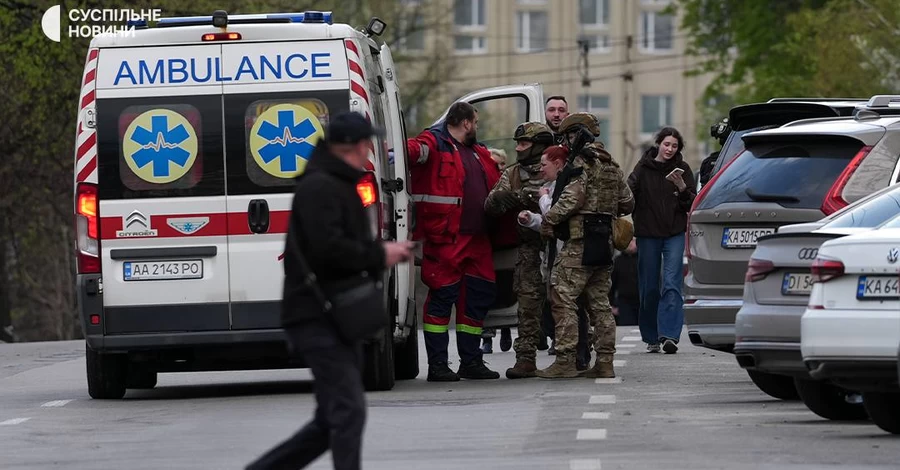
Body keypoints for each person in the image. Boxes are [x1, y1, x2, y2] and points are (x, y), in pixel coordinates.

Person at [247, 112, 414, 470]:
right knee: (348, 411)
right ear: (352, 147)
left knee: (331, 420)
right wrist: (379, 254)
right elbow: (328, 251)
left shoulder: (336, 183)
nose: (371, 148)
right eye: (367, 142)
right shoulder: (321, 187)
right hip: (316, 317)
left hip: (336, 316)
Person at [406, 101, 516, 382]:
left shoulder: (479, 153)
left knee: (475, 303)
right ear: (466, 122)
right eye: (475, 123)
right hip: (445, 240)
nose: (477, 128)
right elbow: (412, 151)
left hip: (478, 242)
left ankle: (471, 362)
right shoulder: (434, 143)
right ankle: (438, 366)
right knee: (441, 301)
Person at [537, 113, 634, 379]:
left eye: (569, 136)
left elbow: (572, 200)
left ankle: (566, 360)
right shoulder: (611, 164)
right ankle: (605, 362)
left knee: (562, 298)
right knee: (600, 305)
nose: (567, 142)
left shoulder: (580, 162)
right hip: (604, 244)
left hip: (579, 242)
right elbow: (628, 203)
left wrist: (549, 218)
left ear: (579, 134)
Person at [484, 122, 555, 378]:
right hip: (528, 247)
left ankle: (576, 351)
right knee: (527, 303)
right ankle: (525, 358)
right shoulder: (513, 173)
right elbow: (492, 205)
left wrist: (528, 197)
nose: (518, 148)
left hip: (561, 246)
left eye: (523, 144)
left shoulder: (558, 168)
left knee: (568, 301)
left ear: (538, 147)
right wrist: (511, 198)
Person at [519, 145, 592, 371]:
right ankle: (570, 353)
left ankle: (576, 355)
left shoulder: (568, 184)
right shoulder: (552, 185)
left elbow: (555, 216)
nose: (541, 170)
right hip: (554, 253)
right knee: (556, 305)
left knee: (570, 306)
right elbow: (547, 222)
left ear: (558, 164)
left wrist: (542, 200)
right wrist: (530, 219)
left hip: (570, 255)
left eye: (544, 165)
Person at [627, 127, 696, 354]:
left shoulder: (683, 169)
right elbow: (628, 193)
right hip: (647, 234)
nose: (670, 149)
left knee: (672, 283)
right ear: (658, 144)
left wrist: (682, 187)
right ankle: (651, 336)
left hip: (674, 233)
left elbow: (691, 204)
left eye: (674, 146)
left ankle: (669, 335)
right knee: (649, 286)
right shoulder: (643, 167)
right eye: (667, 144)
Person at [481, 149, 513, 354]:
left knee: (508, 291)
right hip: (487, 245)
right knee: (487, 293)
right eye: (495, 164)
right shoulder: (483, 183)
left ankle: (506, 329)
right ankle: (487, 337)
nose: (498, 168)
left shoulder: (510, 182)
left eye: (502, 164)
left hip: (508, 244)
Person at [609, 239, 640, 326]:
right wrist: (611, 304)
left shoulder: (643, 260)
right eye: (628, 241)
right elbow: (612, 285)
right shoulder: (618, 261)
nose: (630, 244)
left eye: (633, 241)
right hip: (624, 302)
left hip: (642, 301)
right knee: (626, 326)